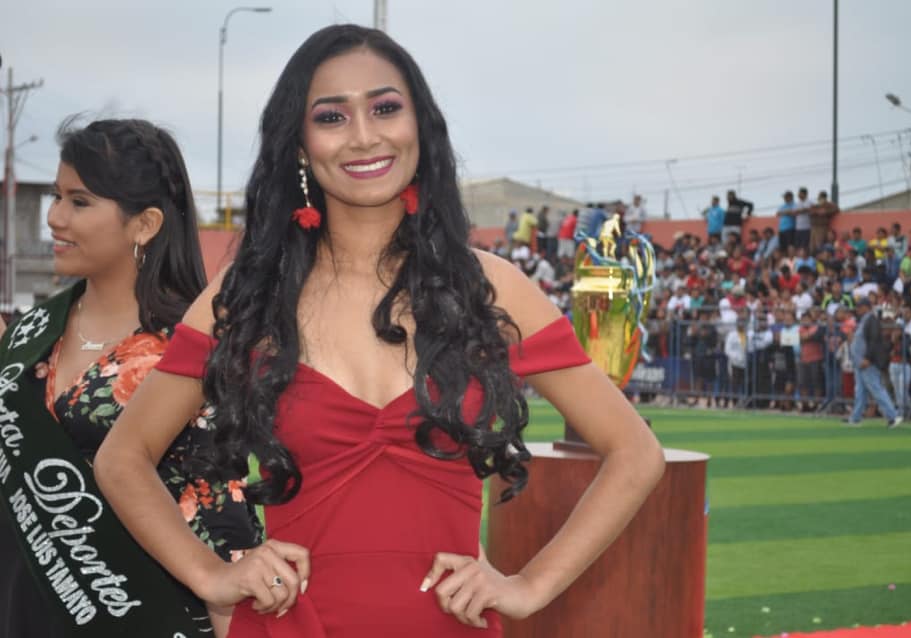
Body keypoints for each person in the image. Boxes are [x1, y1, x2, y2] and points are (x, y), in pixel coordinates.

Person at [95, 25, 664, 638]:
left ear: (421, 125)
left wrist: (529, 586)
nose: (364, 135)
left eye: (385, 108)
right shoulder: (246, 297)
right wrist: (209, 576)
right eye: (332, 117)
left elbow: (635, 453)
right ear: (299, 143)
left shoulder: (490, 288)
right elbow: (123, 458)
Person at [0, 119, 260, 638]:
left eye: (79, 201)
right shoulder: (30, 333)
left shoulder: (186, 350)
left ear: (144, 224)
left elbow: (219, 513)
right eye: (56, 196)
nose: (54, 217)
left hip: (142, 616)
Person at [844, 298, 903, 428]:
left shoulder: (871, 320)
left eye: (859, 307)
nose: (857, 310)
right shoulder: (864, 320)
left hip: (867, 362)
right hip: (860, 362)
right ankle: (855, 418)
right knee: (860, 391)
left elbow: (874, 341)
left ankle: (893, 416)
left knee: (876, 389)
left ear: (866, 307)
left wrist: (868, 358)